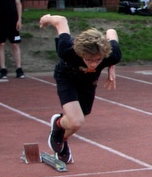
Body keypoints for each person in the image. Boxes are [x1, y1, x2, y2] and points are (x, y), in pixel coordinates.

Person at [40, 14, 121, 163]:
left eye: (98, 60)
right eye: (89, 59)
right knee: (77, 121)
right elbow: (61, 21)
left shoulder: (112, 55)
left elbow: (111, 31)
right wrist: (47, 19)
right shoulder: (67, 49)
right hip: (66, 77)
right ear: (80, 54)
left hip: (88, 81)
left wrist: (111, 67)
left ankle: (61, 131)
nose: (93, 64)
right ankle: (60, 133)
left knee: (83, 113)